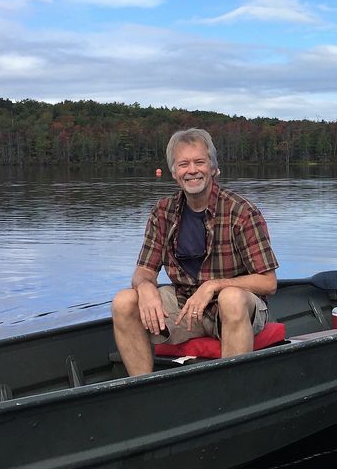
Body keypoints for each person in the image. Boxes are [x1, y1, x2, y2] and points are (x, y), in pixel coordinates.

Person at [111, 128, 279, 376]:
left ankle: (232, 391)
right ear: (174, 173)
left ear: (213, 168)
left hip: (238, 310)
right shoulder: (162, 212)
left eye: (199, 162)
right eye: (184, 164)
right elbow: (144, 271)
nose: (192, 170)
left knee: (230, 297)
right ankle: (144, 390)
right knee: (124, 302)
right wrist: (145, 287)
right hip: (184, 303)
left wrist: (212, 286)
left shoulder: (241, 212)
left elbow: (269, 282)